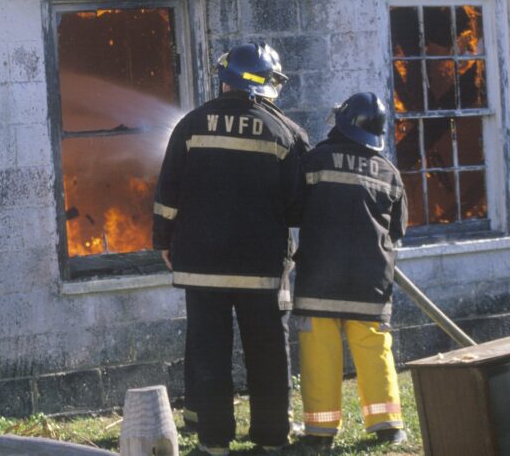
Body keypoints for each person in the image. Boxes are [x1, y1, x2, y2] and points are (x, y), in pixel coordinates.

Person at [153, 42, 308, 455]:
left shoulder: (190, 124)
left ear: (225, 78)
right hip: (262, 268)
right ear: (265, 83)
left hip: (201, 266)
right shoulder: (285, 133)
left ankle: (213, 442)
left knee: (208, 352)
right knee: (268, 354)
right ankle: (272, 439)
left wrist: (163, 242)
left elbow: (168, 192)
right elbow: (298, 207)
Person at [294, 92, 408, 449]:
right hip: (370, 282)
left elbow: (292, 209)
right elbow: (398, 229)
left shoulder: (314, 162)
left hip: (318, 279)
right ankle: (389, 426)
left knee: (319, 351)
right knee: (374, 349)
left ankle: (320, 433)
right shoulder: (389, 172)